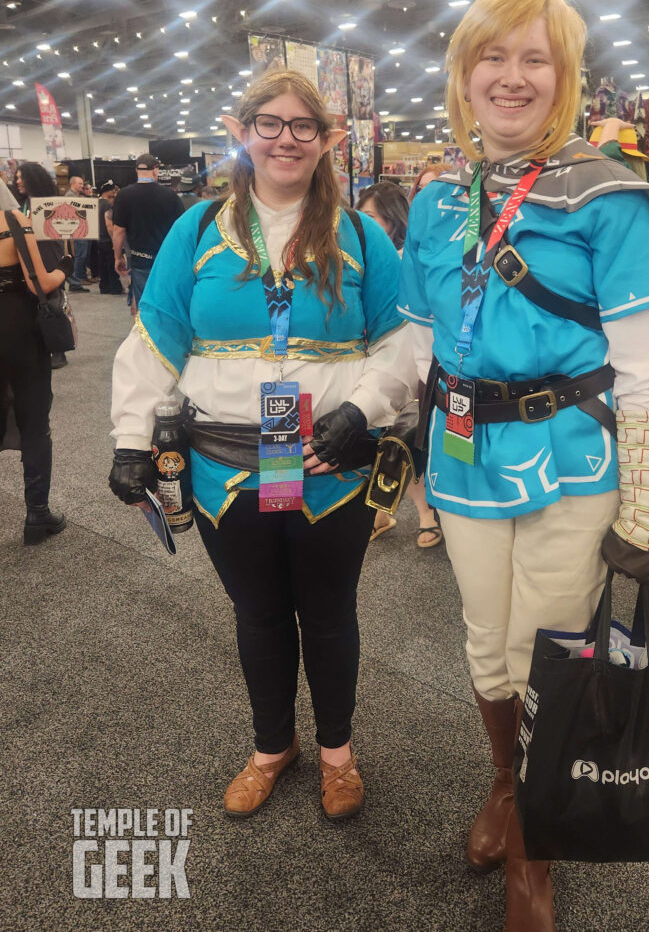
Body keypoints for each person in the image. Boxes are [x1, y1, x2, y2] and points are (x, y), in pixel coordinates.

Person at [399, 0, 649, 931]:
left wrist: (648, 511)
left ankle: (536, 842)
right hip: (462, 456)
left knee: (551, 646)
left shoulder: (610, 196)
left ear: (565, 74)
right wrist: (408, 455)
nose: (512, 75)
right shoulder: (436, 193)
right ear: (464, 71)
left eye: (535, 57)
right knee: (486, 641)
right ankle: (506, 783)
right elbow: (417, 339)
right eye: (492, 55)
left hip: (573, 455)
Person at [109, 69, 415, 822]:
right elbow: (155, 338)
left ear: (326, 139)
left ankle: (338, 753)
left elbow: (403, 343)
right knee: (258, 613)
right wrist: (130, 436)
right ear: (242, 132)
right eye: (268, 123)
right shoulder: (198, 229)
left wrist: (365, 410)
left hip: (329, 466)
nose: (284, 138)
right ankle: (271, 746)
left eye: (301, 125)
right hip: (222, 467)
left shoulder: (361, 234)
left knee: (331, 613)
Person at [355, 182, 442, 547]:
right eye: (360, 214)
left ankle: (424, 513)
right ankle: (381, 511)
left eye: (371, 215)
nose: (362, 222)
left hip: (413, 362)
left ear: (391, 220)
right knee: (380, 440)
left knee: (405, 439)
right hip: (367, 361)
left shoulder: (409, 257)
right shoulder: (359, 253)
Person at [0, 178, 73, 544]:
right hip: (18, 332)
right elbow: (38, 283)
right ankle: (37, 515)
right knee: (34, 421)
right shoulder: (13, 220)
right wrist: (63, 268)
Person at [15, 162, 72, 369]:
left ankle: (59, 349)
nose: (18, 181)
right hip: (30, 257)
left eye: (22, 177)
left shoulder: (48, 204)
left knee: (52, 302)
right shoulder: (22, 204)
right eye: (17, 177)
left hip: (48, 256)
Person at [111, 154, 183, 315]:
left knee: (143, 303)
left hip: (139, 259)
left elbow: (118, 230)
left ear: (137, 170)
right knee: (166, 302)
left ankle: (144, 336)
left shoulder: (124, 195)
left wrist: (117, 257)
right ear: (156, 170)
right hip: (166, 258)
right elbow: (181, 230)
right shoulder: (170, 195)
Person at [65, 174, 92, 293]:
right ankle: (76, 282)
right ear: (73, 184)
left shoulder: (77, 196)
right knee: (80, 256)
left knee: (82, 255)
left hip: (81, 230)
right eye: (80, 183)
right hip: (77, 231)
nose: (82, 186)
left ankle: (80, 278)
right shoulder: (70, 197)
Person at [96, 181, 122, 295]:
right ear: (110, 191)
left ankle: (104, 287)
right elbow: (109, 225)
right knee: (111, 264)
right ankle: (115, 287)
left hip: (98, 238)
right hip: (107, 239)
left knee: (102, 264)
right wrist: (115, 241)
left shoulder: (95, 203)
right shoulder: (108, 205)